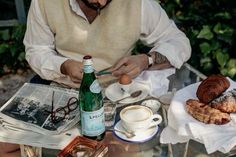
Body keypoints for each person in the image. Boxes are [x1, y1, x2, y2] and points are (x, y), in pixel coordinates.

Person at [0, 0, 191, 156]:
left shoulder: (138, 3)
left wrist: (147, 59)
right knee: (4, 148)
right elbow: (36, 50)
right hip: (59, 85)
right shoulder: (45, 2)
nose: (100, 2)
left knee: (117, 151)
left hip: (113, 94)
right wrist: (64, 65)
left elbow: (179, 42)